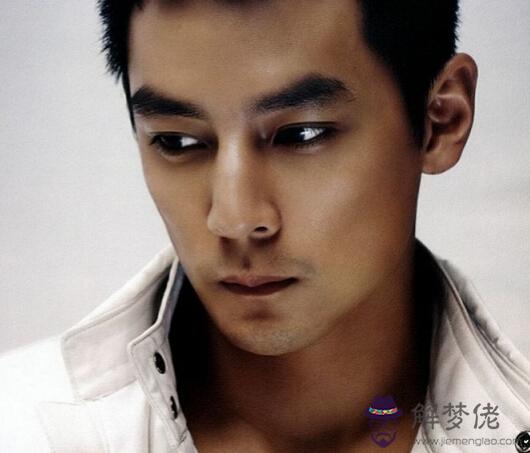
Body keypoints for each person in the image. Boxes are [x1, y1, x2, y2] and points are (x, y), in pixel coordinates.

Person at [1, 0, 529, 452]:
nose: (233, 219)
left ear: (441, 120)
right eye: (177, 142)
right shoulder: (21, 428)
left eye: (301, 135)